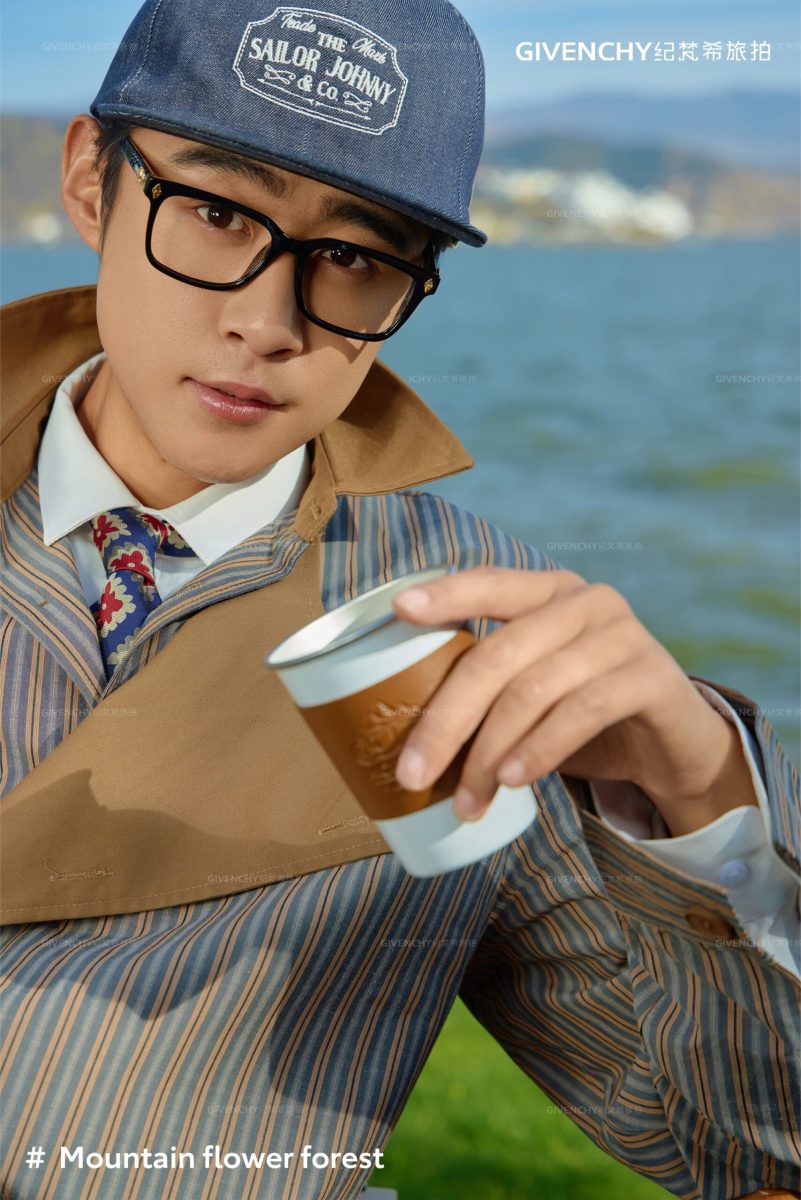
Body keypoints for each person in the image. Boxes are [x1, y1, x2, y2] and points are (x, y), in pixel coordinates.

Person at [0, 2, 798, 1198]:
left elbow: (738, 1144)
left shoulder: (463, 640)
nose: (266, 322)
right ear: (89, 180)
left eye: (356, 258)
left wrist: (703, 800)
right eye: (216, 213)